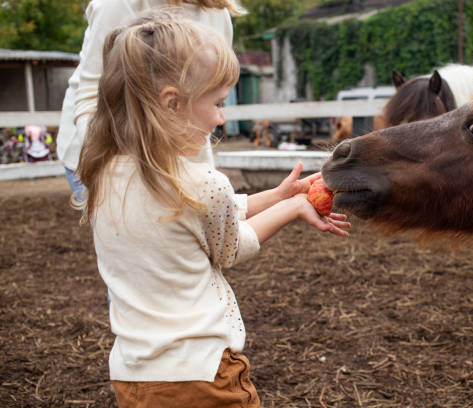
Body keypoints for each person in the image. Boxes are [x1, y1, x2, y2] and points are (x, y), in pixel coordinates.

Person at [75, 11, 351, 408]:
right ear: (172, 103)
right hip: (203, 377)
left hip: (132, 376)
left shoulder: (102, 176)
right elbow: (230, 247)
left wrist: (277, 194)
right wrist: (292, 207)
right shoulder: (204, 182)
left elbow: (205, 214)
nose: (222, 118)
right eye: (218, 103)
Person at [57, 0, 244, 202]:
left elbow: (199, 104)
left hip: (175, 156)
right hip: (113, 154)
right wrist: (111, 171)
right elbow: (91, 95)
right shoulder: (117, 5)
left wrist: (203, 176)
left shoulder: (217, 13)